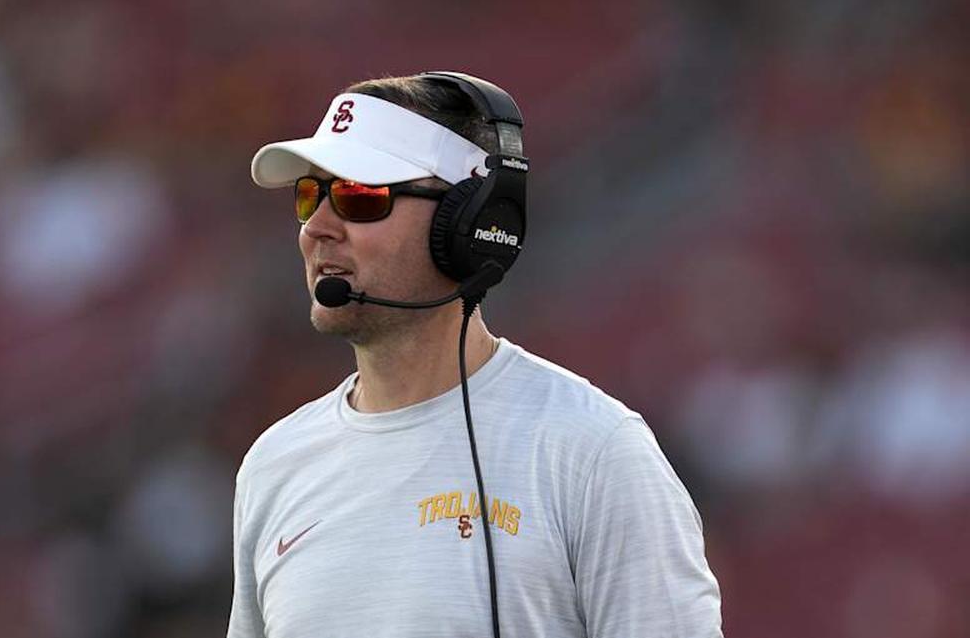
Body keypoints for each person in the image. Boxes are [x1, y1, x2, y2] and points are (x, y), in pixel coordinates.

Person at [229, 71, 722, 638]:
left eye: (359, 197)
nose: (316, 228)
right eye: (309, 195)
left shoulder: (591, 451)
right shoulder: (275, 464)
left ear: (467, 224)